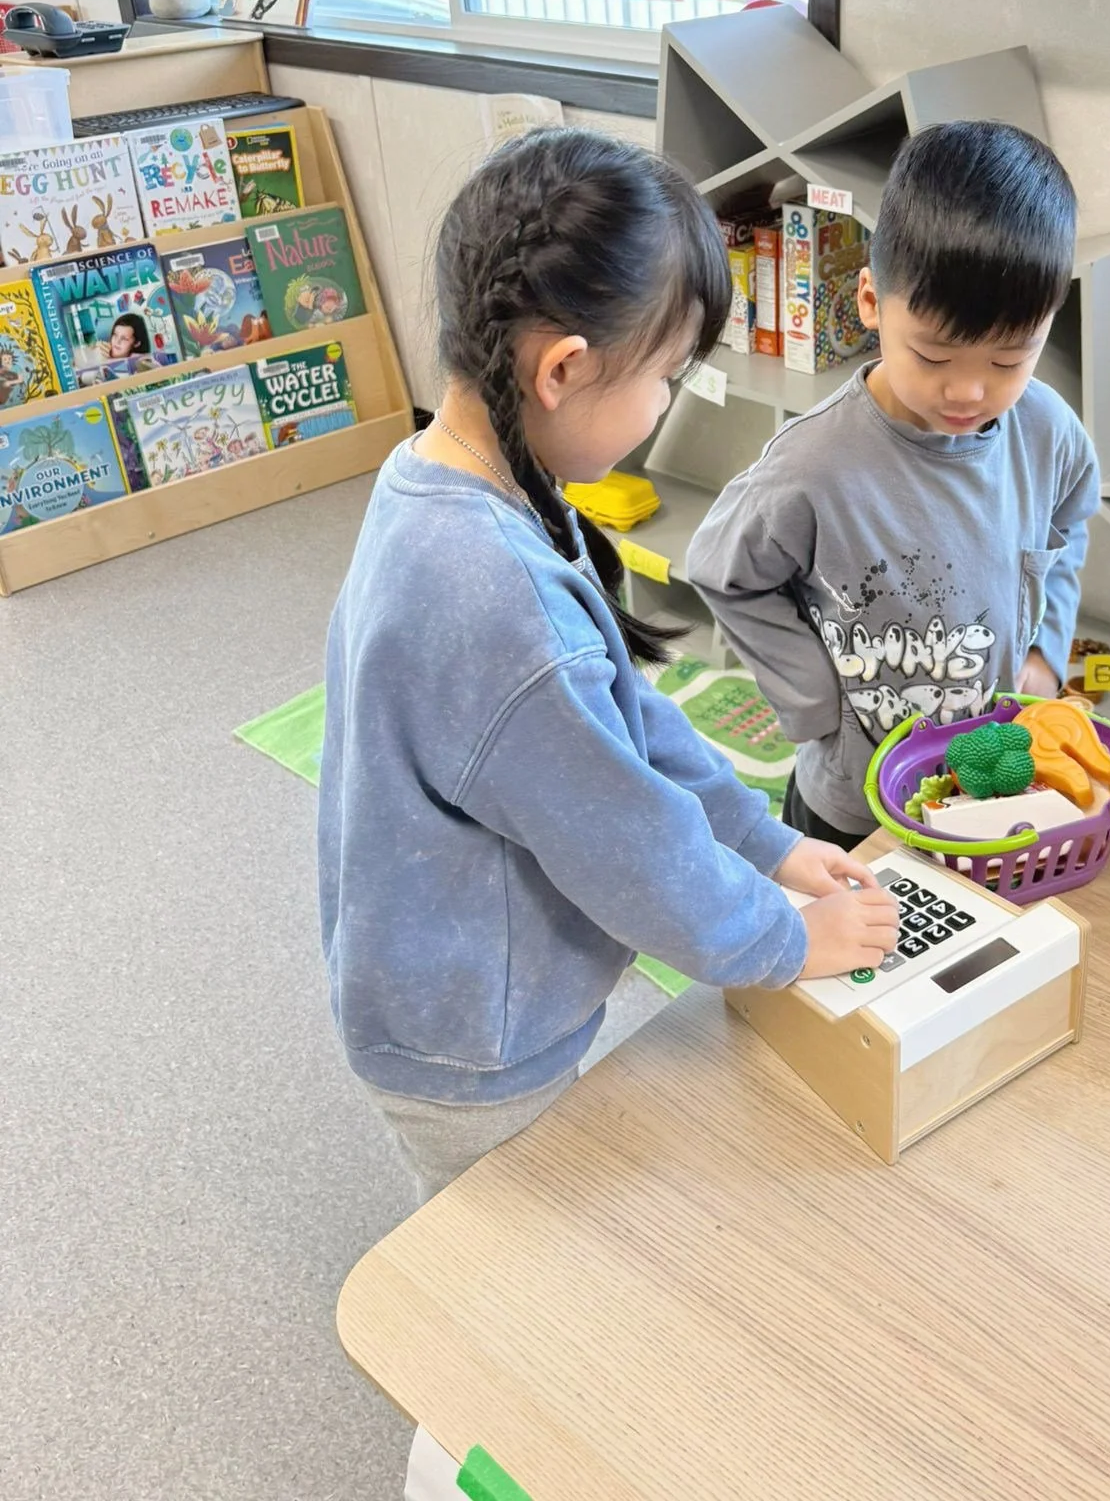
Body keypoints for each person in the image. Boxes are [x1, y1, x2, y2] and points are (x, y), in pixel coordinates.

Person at [318, 129, 898, 1208]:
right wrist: (787, 940)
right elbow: (629, 848)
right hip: (471, 1038)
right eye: (668, 378)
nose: (666, 404)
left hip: (450, 971)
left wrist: (765, 844)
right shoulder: (495, 598)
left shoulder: (450, 474)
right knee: (521, 1277)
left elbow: (634, 726)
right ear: (563, 370)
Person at [688, 120, 1101, 845]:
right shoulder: (813, 463)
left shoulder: (1048, 431)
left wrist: (1047, 648)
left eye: (1009, 360)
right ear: (873, 303)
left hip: (987, 777)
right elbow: (723, 572)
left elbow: (1070, 522)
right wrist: (815, 705)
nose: (969, 391)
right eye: (934, 355)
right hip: (852, 803)